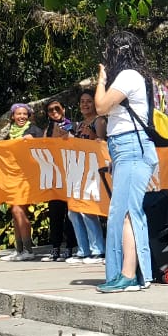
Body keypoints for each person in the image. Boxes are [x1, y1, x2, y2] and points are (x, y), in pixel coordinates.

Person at [93, 30, 159, 293]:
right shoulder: (138, 76)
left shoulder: (128, 76)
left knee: (128, 212)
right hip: (126, 147)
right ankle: (126, 273)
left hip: (132, 145)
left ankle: (130, 274)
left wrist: (100, 80)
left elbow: (101, 107)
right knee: (122, 212)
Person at [0, 102, 44, 262]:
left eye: (24, 114)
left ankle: (28, 250)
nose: (22, 117)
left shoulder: (34, 131)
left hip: (27, 176)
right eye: (19, 114)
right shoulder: (9, 132)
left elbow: (46, 147)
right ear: (13, 116)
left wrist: (34, 141)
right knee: (14, 212)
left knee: (18, 211)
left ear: (29, 116)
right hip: (12, 175)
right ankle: (19, 250)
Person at [65, 91, 105, 265]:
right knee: (73, 210)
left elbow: (103, 142)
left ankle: (98, 250)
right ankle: (83, 250)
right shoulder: (78, 124)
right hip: (77, 170)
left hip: (92, 170)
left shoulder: (99, 121)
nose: (85, 104)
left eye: (89, 101)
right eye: (82, 102)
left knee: (87, 209)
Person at [42, 100, 79, 263]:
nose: (54, 112)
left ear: (63, 109)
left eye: (57, 108)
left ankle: (70, 247)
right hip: (54, 177)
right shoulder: (47, 129)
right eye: (51, 110)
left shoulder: (71, 125)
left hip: (70, 174)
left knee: (70, 214)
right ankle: (55, 247)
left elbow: (75, 144)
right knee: (55, 212)